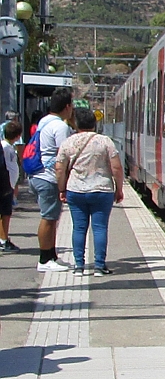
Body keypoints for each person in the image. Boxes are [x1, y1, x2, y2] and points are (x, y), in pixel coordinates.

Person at [55, 107, 124, 276]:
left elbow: (59, 168)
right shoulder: (105, 141)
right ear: (94, 123)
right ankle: (99, 266)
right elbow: (116, 167)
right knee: (99, 228)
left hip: (75, 190)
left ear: (76, 124)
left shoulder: (68, 142)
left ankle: (79, 266)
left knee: (79, 228)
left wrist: (61, 188)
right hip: (102, 190)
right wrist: (119, 189)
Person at [29, 87, 74, 272]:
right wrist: (64, 185)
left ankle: (51, 255)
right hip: (48, 177)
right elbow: (64, 155)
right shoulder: (60, 126)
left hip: (38, 174)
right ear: (67, 106)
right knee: (48, 218)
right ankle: (44, 259)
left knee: (51, 217)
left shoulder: (44, 121)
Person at [0, 121, 21, 252]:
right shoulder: (4, 147)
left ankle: (3, 238)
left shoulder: (9, 146)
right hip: (5, 184)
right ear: (18, 136)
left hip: (9, 183)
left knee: (6, 212)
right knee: (5, 213)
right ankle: (3, 239)